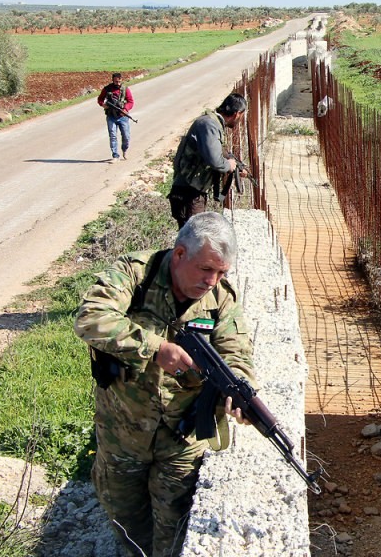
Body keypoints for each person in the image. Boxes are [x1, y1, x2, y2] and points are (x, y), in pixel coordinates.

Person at [74, 212, 255, 557]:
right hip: (121, 434)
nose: (212, 281)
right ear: (179, 254)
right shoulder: (134, 275)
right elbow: (90, 318)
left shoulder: (221, 300)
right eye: (206, 269)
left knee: (174, 538)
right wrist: (154, 348)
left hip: (180, 440)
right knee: (127, 528)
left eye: (221, 273)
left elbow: (237, 354)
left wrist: (240, 390)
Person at [168, 93, 246, 229]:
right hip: (188, 193)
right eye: (241, 116)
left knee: (191, 237)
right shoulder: (210, 125)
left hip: (191, 191)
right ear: (237, 114)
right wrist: (229, 165)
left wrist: (238, 167)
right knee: (193, 237)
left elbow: (216, 152)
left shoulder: (211, 123)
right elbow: (215, 160)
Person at [97, 72, 135, 161]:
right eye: (115, 81)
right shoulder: (107, 89)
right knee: (113, 135)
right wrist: (103, 105)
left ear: (121, 80)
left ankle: (124, 149)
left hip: (123, 116)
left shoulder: (125, 89)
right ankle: (115, 155)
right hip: (111, 116)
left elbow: (131, 101)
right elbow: (100, 99)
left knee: (126, 136)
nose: (117, 83)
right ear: (112, 80)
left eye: (119, 81)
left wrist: (125, 109)